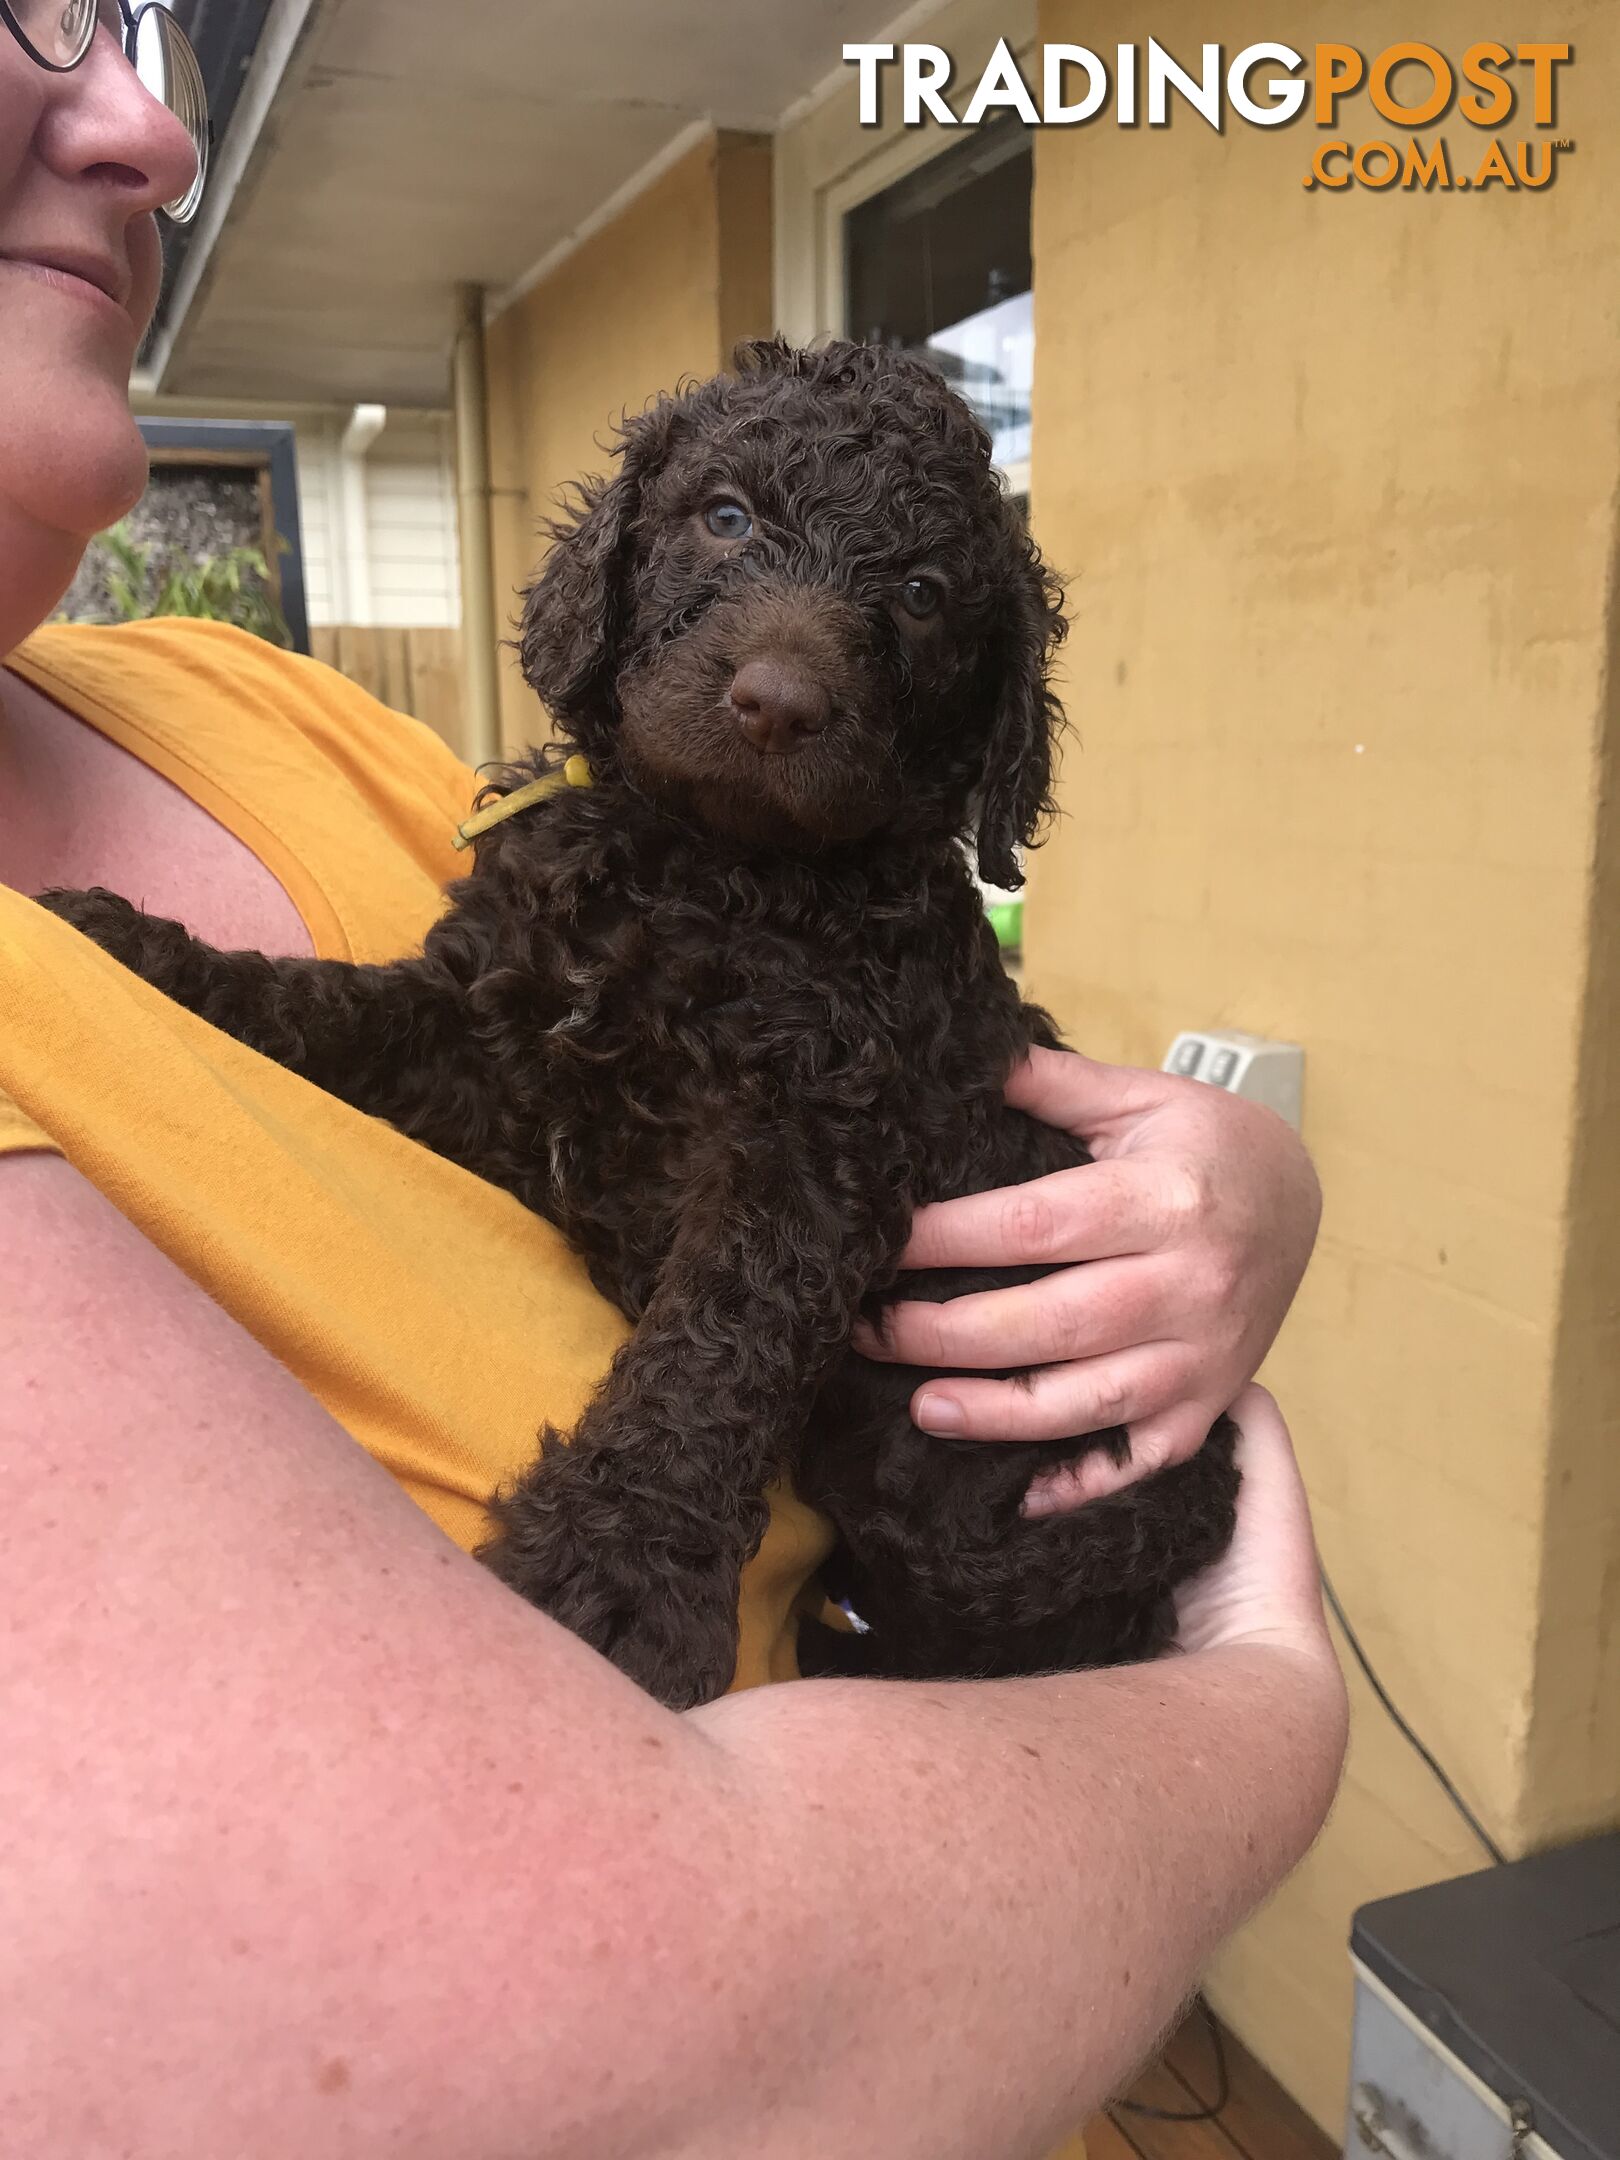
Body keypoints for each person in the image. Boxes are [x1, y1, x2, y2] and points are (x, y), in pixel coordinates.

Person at [0, 13, 1347, 2158]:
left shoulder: (299, 730)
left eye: (899, 613)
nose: (789, 652)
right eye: (726, 531)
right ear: (617, 581)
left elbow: (744, 1192)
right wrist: (1270, 1694)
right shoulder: (571, 853)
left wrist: (1239, 1186)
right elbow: (467, 1049)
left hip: (1012, 1568)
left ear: (970, 742)